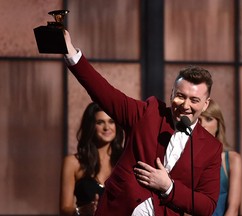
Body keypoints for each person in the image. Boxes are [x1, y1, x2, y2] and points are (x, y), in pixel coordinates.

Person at [63, 30, 222, 215]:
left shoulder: (211, 148)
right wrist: (71, 54)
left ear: (205, 104)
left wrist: (169, 187)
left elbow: (207, 205)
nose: (185, 105)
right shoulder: (148, 113)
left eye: (194, 100)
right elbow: (104, 93)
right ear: (171, 94)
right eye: (180, 96)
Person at [60, 102, 124, 216]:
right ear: (90, 126)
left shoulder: (125, 159)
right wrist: (83, 211)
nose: (106, 127)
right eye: (100, 122)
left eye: (111, 121)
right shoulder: (73, 162)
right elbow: (64, 209)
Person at [198, 99, 242, 216]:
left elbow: (233, 209)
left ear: (218, 124)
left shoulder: (232, 159)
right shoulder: (185, 156)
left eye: (209, 119)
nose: (203, 125)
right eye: (198, 120)